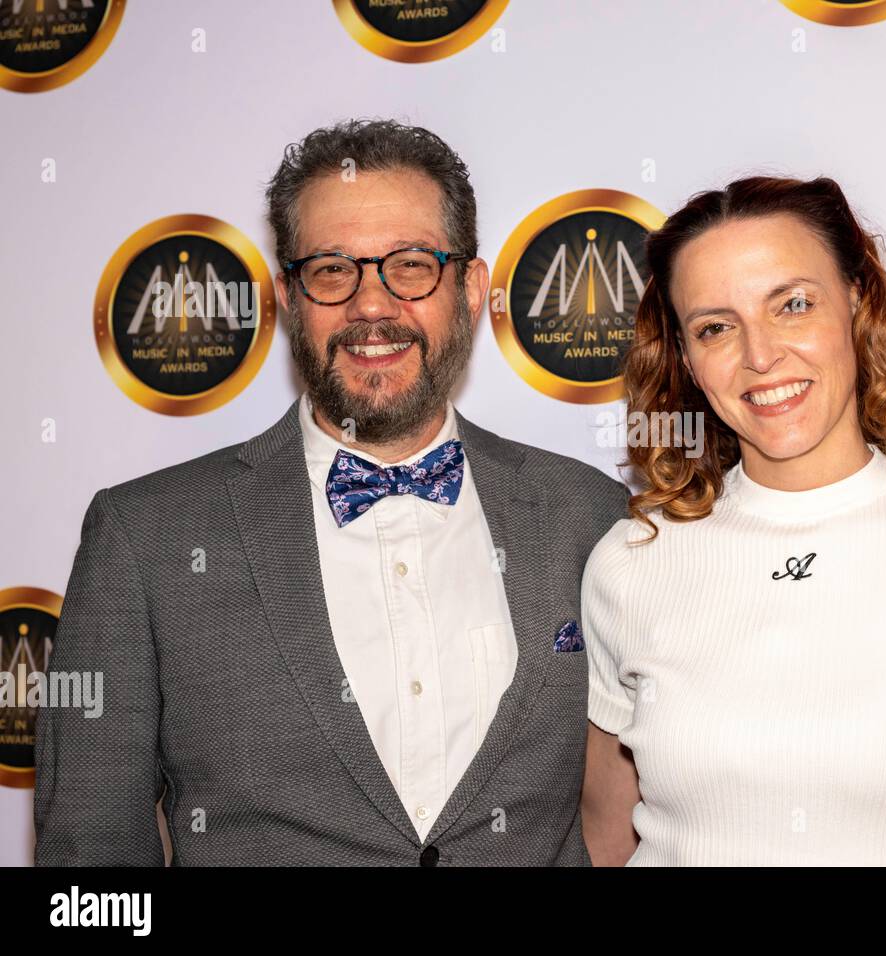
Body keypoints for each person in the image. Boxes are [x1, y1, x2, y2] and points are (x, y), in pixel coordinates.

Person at [34, 119, 627, 866]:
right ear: (287, 297)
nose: (371, 306)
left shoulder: (590, 517)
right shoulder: (144, 537)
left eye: (411, 265)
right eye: (332, 270)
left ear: (472, 290)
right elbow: (90, 860)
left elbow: (622, 818)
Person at [579, 175, 886, 866]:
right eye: (716, 327)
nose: (760, 355)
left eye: (793, 304)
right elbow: (605, 843)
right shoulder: (631, 562)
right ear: (687, 358)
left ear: (857, 300)